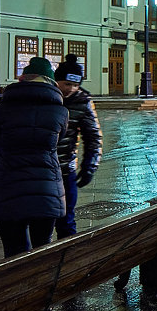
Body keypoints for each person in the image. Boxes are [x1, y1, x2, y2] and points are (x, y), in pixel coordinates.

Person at [0, 57, 68, 259]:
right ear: (50, 82)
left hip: (8, 188)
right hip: (46, 191)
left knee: (14, 253)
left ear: (22, 80)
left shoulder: (3, 108)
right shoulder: (60, 112)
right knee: (42, 250)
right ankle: (41, 289)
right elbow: (58, 141)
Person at [53, 55, 102, 239]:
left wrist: (90, 165)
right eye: (66, 84)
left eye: (75, 85)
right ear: (57, 80)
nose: (71, 89)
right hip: (46, 169)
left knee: (67, 219)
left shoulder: (83, 101)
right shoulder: (48, 97)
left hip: (66, 169)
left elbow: (93, 136)